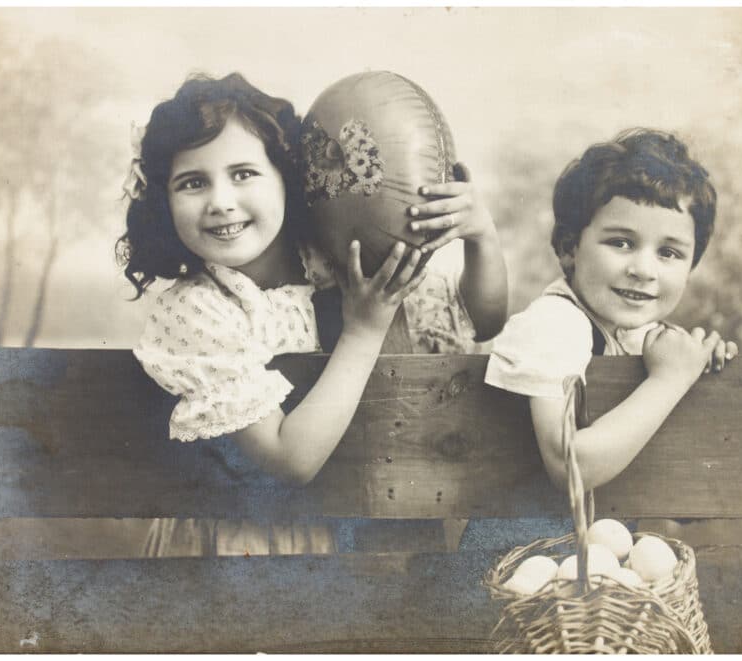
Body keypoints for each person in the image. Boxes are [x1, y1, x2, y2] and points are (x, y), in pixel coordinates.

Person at [116, 72, 505, 555]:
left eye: (243, 173)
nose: (221, 203)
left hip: (352, 542)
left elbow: (480, 320)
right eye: (192, 182)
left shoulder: (335, 265)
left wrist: (482, 236)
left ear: (286, 178)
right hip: (241, 555)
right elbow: (290, 460)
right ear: (165, 204)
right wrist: (364, 331)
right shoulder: (196, 311)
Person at [484, 128, 737, 491]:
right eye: (621, 242)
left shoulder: (644, 340)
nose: (643, 270)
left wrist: (700, 375)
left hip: (603, 544)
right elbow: (569, 467)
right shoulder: (554, 325)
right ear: (570, 247)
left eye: (668, 253)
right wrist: (670, 381)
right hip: (521, 545)